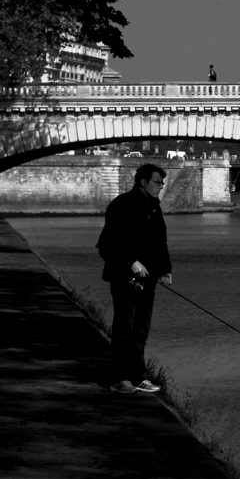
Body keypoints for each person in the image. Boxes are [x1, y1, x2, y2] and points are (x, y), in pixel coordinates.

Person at [96, 163, 173, 394]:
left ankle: (137, 377)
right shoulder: (122, 204)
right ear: (143, 182)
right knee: (125, 328)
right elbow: (108, 243)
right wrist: (131, 261)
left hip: (146, 280)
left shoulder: (154, 208)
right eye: (156, 182)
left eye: (162, 183)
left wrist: (165, 269)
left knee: (141, 329)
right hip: (123, 277)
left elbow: (160, 243)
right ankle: (119, 379)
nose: (161, 187)